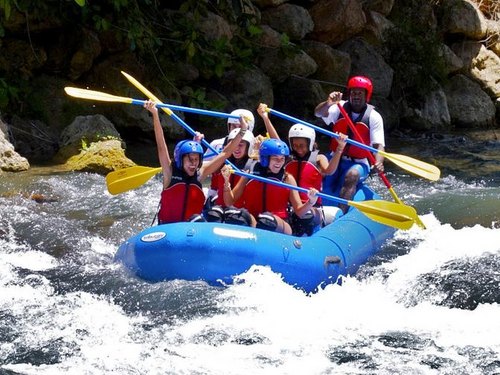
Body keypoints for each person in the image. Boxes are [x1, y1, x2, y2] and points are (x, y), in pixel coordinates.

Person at [144, 100, 250, 224]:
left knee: (201, 219)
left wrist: (243, 131)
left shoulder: (200, 172)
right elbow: (161, 145)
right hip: (168, 228)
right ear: (180, 159)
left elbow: (225, 153)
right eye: (190, 160)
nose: (193, 164)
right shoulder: (169, 171)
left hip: (191, 229)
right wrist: (155, 115)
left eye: (196, 160)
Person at [257, 103, 348, 234]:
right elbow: (276, 140)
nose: (298, 149)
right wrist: (265, 118)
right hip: (291, 206)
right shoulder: (287, 158)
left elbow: (329, 171)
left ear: (310, 143)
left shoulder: (318, 158)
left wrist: (340, 148)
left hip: (312, 206)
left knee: (305, 216)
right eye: (295, 145)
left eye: (302, 145)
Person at [314, 75, 385, 213]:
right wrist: (328, 103)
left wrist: (379, 162)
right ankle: (314, 209)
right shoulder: (338, 108)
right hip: (336, 156)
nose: (356, 96)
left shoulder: (374, 117)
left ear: (366, 95)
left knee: (352, 175)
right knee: (317, 167)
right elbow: (318, 113)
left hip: (359, 162)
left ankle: (341, 214)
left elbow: (379, 146)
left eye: (359, 93)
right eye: (353, 92)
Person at [221, 138, 318, 235]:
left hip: (280, 223)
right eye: (275, 158)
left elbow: (299, 212)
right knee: (233, 214)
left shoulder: (287, 179)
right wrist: (226, 181)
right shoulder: (249, 174)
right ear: (265, 159)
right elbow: (229, 201)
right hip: (254, 221)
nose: (279, 162)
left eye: (282, 159)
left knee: (266, 220)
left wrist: (311, 201)